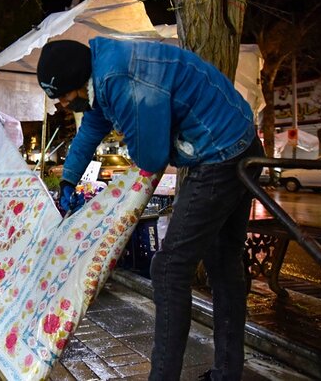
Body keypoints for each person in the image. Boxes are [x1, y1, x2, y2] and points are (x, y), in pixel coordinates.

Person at [36, 38, 264, 381]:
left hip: (219, 153)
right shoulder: (102, 72)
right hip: (239, 140)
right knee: (222, 263)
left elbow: (152, 156)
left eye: (64, 96)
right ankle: (228, 373)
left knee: (169, 269)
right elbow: (90, 130)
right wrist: (69, 179)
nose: (64, 105)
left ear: (77, 82)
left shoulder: (118, 79)